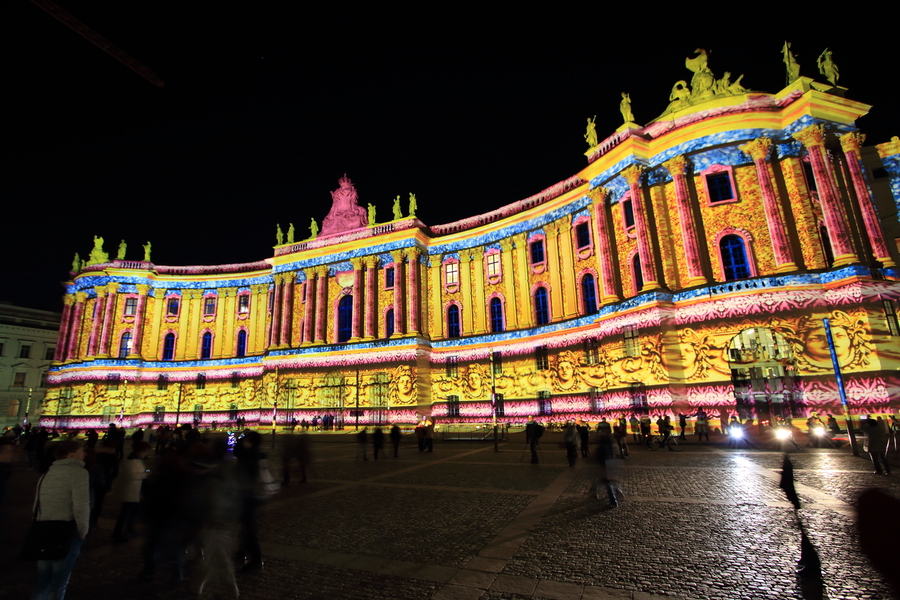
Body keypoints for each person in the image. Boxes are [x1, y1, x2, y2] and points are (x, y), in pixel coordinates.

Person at [30, 440, 90, 600]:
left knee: (42, 580)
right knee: (59, 582)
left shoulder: (47, 473)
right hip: (66, 533)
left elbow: (37, 504)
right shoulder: (79, 473)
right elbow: (81, 506)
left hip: (44, 530)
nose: (84, 454)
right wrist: (83, 531)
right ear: (71, 455)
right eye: (81, 451)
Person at [113, 441, 150, 542]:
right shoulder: (132, 460)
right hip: (130, 492)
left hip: (135, 492)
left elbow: (143, 471)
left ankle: (129, 530)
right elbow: (132, 475)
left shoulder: (137, 460)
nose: (146, 453)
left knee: (130, 513)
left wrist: (147, 471)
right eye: (145, 451)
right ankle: (118, 533)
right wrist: (146, 474)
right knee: (125, 514)